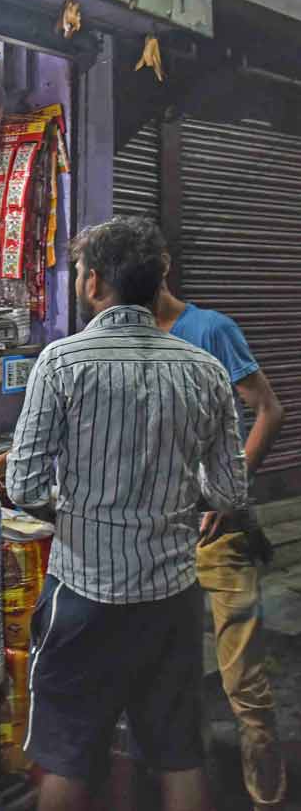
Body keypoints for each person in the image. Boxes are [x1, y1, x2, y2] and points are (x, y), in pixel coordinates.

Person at [0, 217, 248, 811]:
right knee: (178, 755)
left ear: (93, 284)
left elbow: (27, 481)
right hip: (171, 596)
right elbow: (227, 491)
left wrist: (79, 515)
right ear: (155, 282)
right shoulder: (205, 370)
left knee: (68, 757)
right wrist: (167, 493)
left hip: (84, 595)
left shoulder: (62, 363)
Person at [107, 257, 286, 811]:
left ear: (159, 271)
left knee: (242, 676)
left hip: (217, 532)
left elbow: (269, 410)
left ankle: (268, 791)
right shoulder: (124, 338)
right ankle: (179, 778)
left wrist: (229, 494)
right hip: (156, 535)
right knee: (164, 672)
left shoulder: (211, 329)